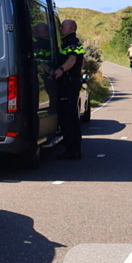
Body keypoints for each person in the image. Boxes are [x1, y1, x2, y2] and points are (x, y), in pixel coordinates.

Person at [54, 19, 85, 160]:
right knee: (72, 117)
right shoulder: (76, 42)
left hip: (68, 84)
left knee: (67, 118)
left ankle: (71, 149)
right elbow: (82, 61)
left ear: (70, 28)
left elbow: (72, 60)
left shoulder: (70, 42)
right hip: (73, 82)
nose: (60, 29)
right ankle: (74, 149)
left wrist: (61, 69)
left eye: (62, 27)